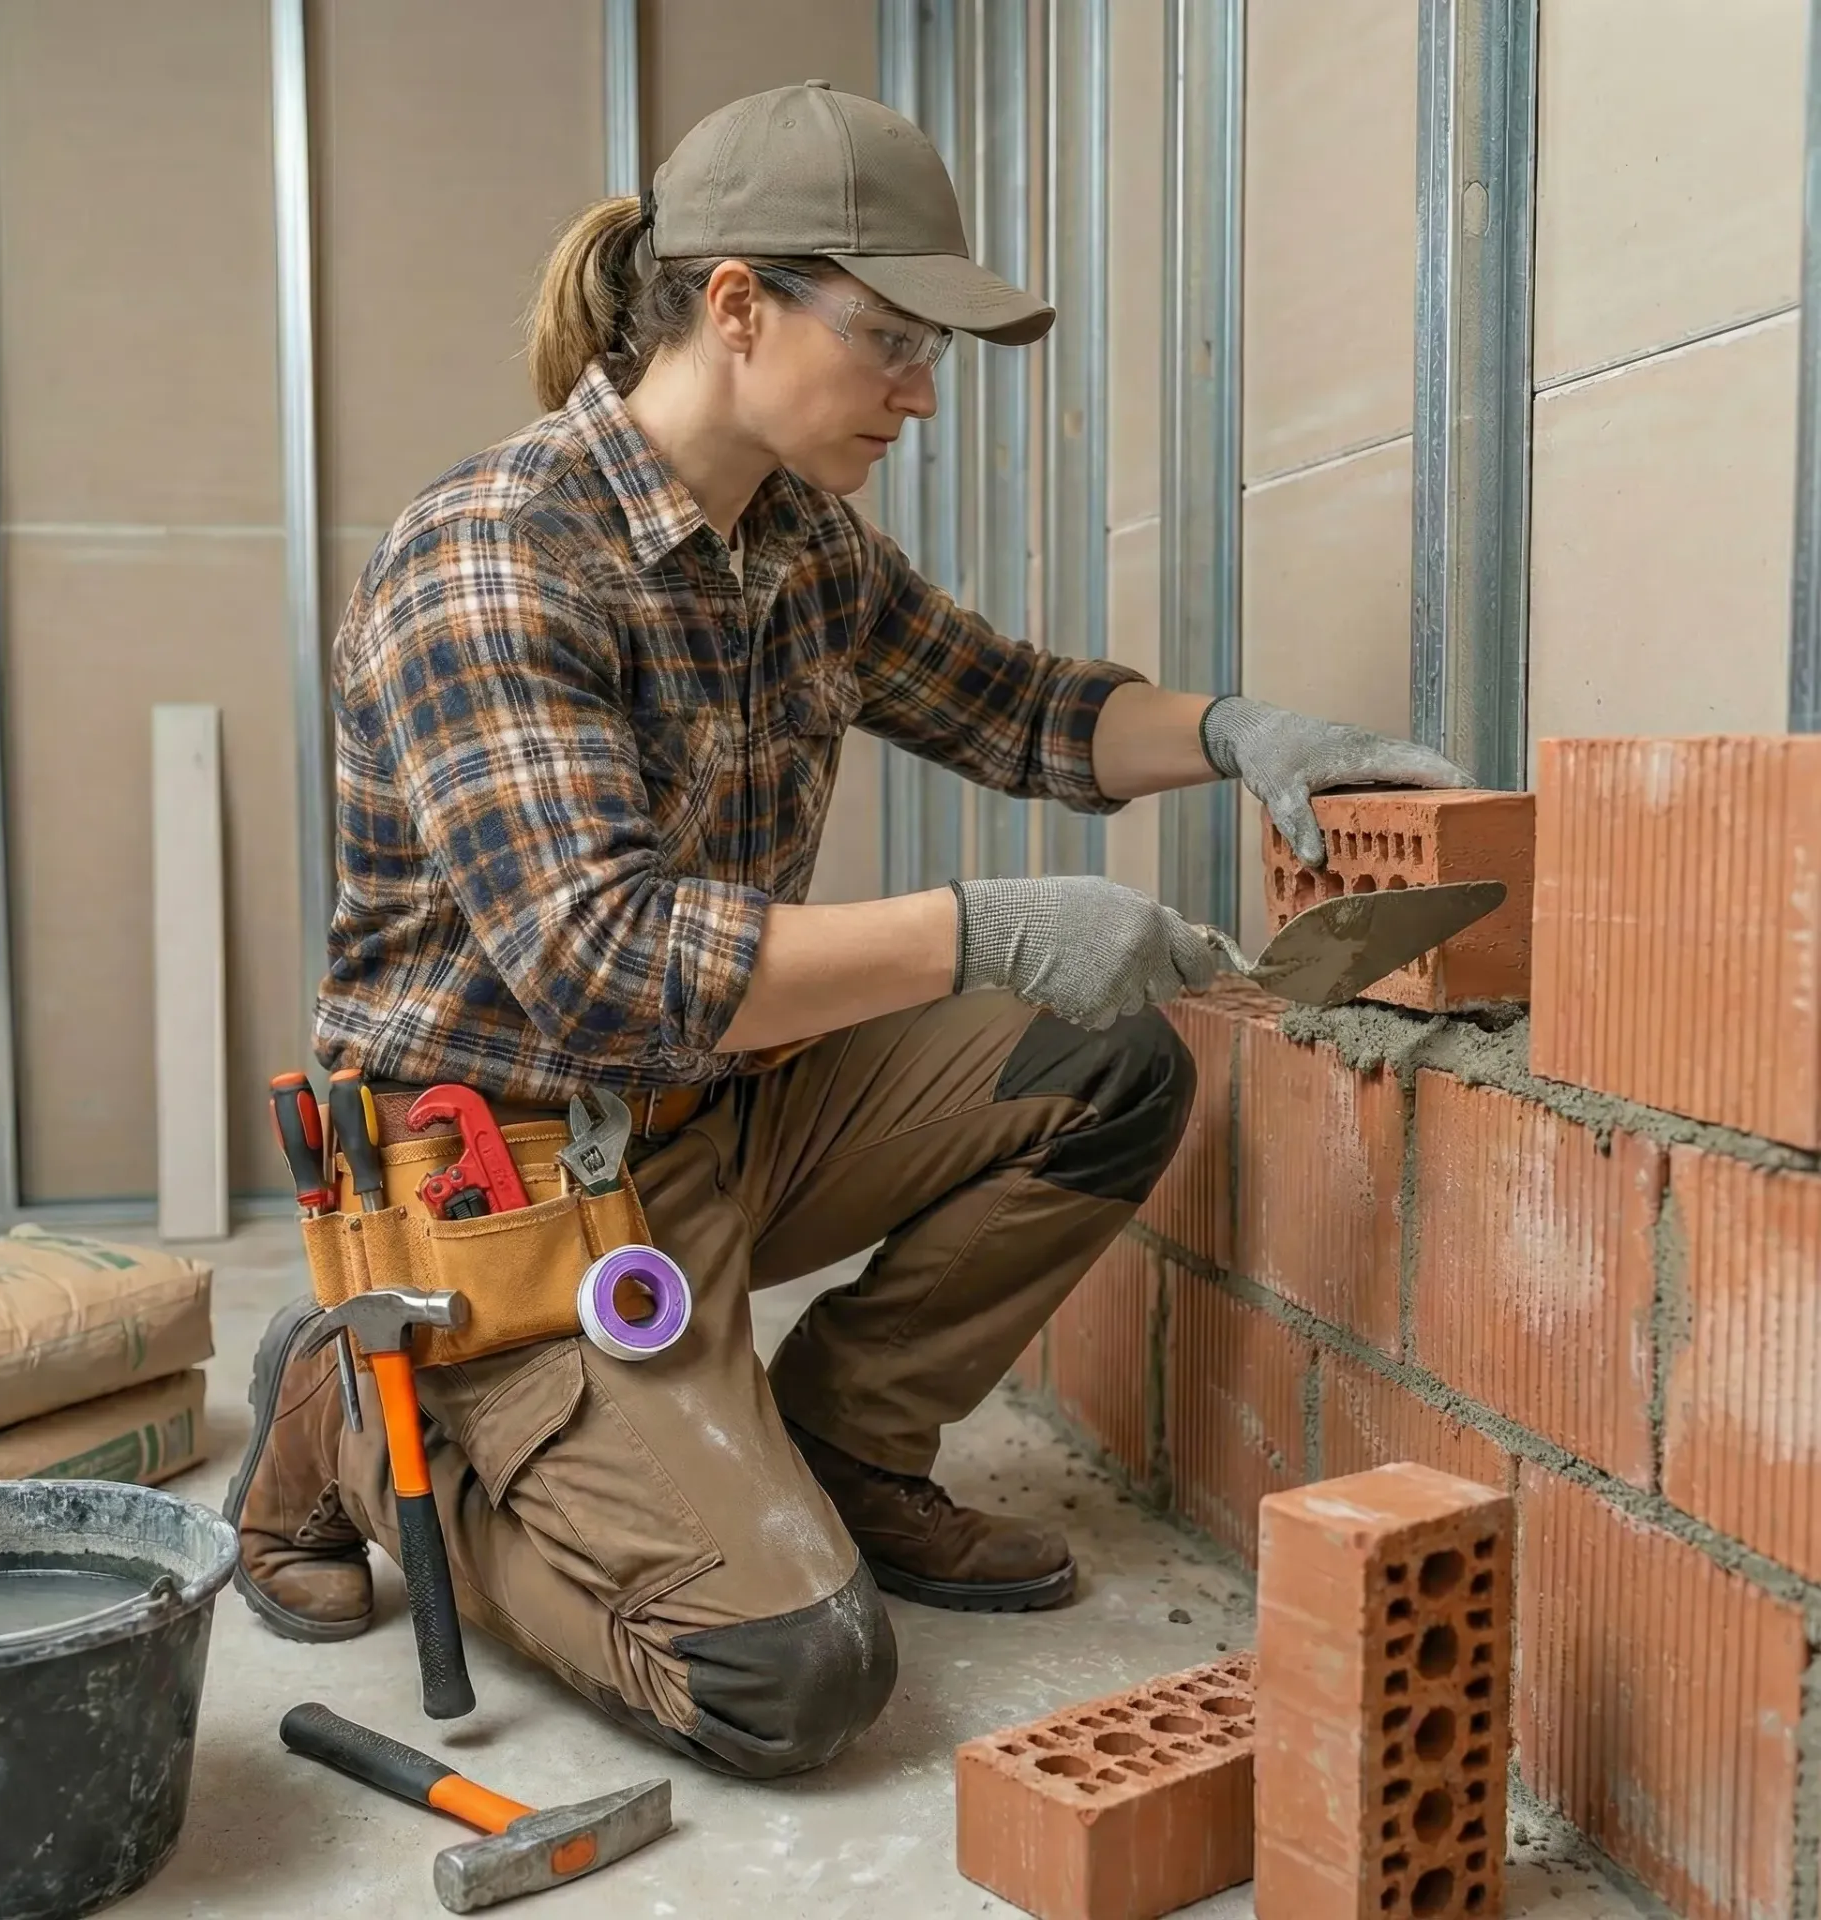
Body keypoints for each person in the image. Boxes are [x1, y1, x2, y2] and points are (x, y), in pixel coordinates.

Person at [225, 81, 1469, 1780]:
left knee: (1098, 1062)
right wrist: (982, 926)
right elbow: (605, 960)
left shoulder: (797, 547)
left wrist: (1243, 731)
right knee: (788, 1682)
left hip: (717, 1118)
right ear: (736, 306)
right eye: (886, 337)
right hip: (506, 1192)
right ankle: (364, 1427)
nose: (919, 389)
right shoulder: (495, 561)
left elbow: (1019, 707)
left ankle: (843, 1441)